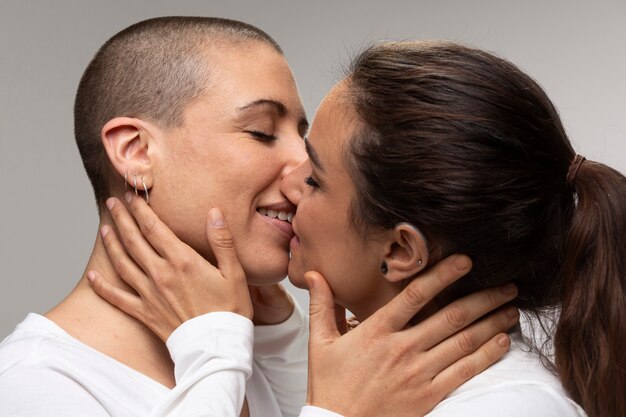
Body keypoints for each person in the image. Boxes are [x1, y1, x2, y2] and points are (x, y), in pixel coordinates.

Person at [0, 18, 516, 417]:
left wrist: (274, 352)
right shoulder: (35, 386)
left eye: (302, 136)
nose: (302, 171)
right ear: (136, 151)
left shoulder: (262, 352)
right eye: (262, 132)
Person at [89, 41, 625, 417]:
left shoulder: (505, 409)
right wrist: (280, 351)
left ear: (399, 249)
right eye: (260, 132)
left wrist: (216, 352)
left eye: (316, 178)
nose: (289, 180)